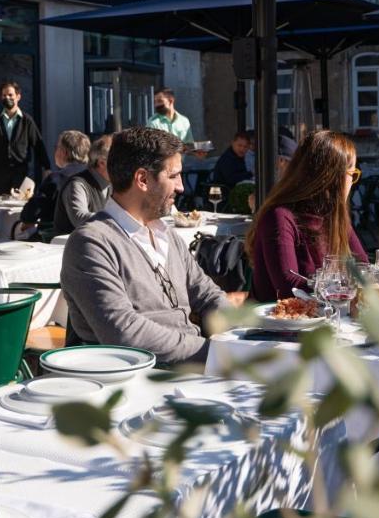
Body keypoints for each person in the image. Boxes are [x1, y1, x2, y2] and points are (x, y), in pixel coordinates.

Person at [61, 127, 228, 365]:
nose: (181, 187)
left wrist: (237, 336)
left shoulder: (166, 234)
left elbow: (209, 295)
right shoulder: (91, 243)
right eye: (173, 176)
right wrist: (213, 353)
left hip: (193, 368)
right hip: (138, 382)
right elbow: (124, 333)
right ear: (142, 179)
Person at [246, 130, 369, 302]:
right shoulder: (280, 217)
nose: (352, 181)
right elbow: (289, 285)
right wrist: (342, 285)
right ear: (332, 178)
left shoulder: (334, 217)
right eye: (352, 174)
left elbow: (362, 266)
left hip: (325, 317)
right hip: (276, 324)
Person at [16, 129, 89, 236]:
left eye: (56, 148)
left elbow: (30, 213)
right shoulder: (93, 176)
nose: (54, 152)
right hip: (88, 235)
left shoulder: (56, 179)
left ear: (64, 153)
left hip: (55, 239)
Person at [0, 81, 49, 195]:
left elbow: (38, 145)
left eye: (10, 95)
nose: (7, 98)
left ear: (18, 97)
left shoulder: (27, 121)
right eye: (4, 95)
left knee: (18, 207)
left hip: (20, 173)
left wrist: (47, 167)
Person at [54, 134, 112, 235]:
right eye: (118, 162)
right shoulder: (77, 184)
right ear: (102, 163)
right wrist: (118, 219)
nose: (123, 166)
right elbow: (79, 218)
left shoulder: (111, 185)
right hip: (69, 247)